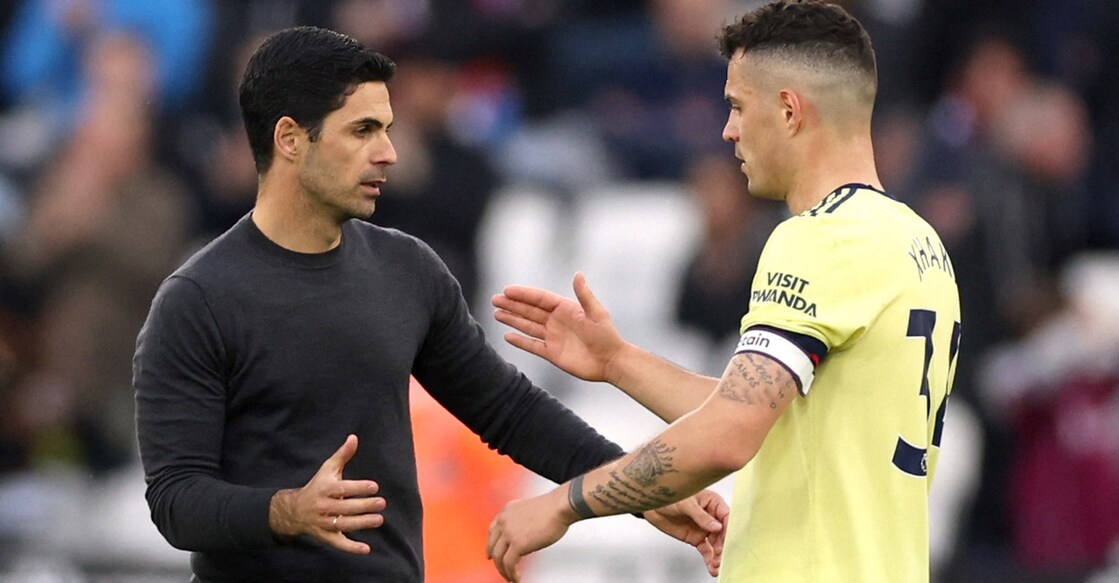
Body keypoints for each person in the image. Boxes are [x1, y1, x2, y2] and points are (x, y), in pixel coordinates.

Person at [132, 26, 727, 582]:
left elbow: (510, 413)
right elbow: (176, 499)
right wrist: (287, 511)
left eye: (386, 129)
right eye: (362, 130)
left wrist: (640, 490)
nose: (388, 151)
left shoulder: (407, 270)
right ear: (289, 138)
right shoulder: (197, 301)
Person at [485, 2, 962, 582]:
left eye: (737, 106)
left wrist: (565, 502)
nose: (727, 130)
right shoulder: (918, 244)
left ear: (789, 110)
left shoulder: (819, 239)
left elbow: (727, 436)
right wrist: (618, 361)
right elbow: (771, 413)